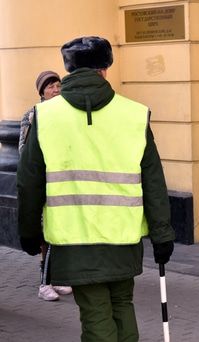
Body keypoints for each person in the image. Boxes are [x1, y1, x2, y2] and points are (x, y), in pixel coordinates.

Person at [17, 36, 175, 341]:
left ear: (68, 70)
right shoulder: (134, 114)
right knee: (122, 305)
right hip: (123, 239)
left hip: (73, 241)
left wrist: (28, 232)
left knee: (95, 314)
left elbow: (28, 180)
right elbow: (154, 180)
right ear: (105, 70)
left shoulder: (46, 117)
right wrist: (162, 235)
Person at [19, 70, 73, 301]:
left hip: (63, 182)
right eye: (50, 86)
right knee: (46, 235)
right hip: (43, 182)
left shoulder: (67, 113)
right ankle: (45, 283)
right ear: (41, 91)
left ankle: (58, 277)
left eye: (58, 85)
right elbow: (24, 149)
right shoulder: (33, 115)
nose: (55, 90)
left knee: (60, 231)